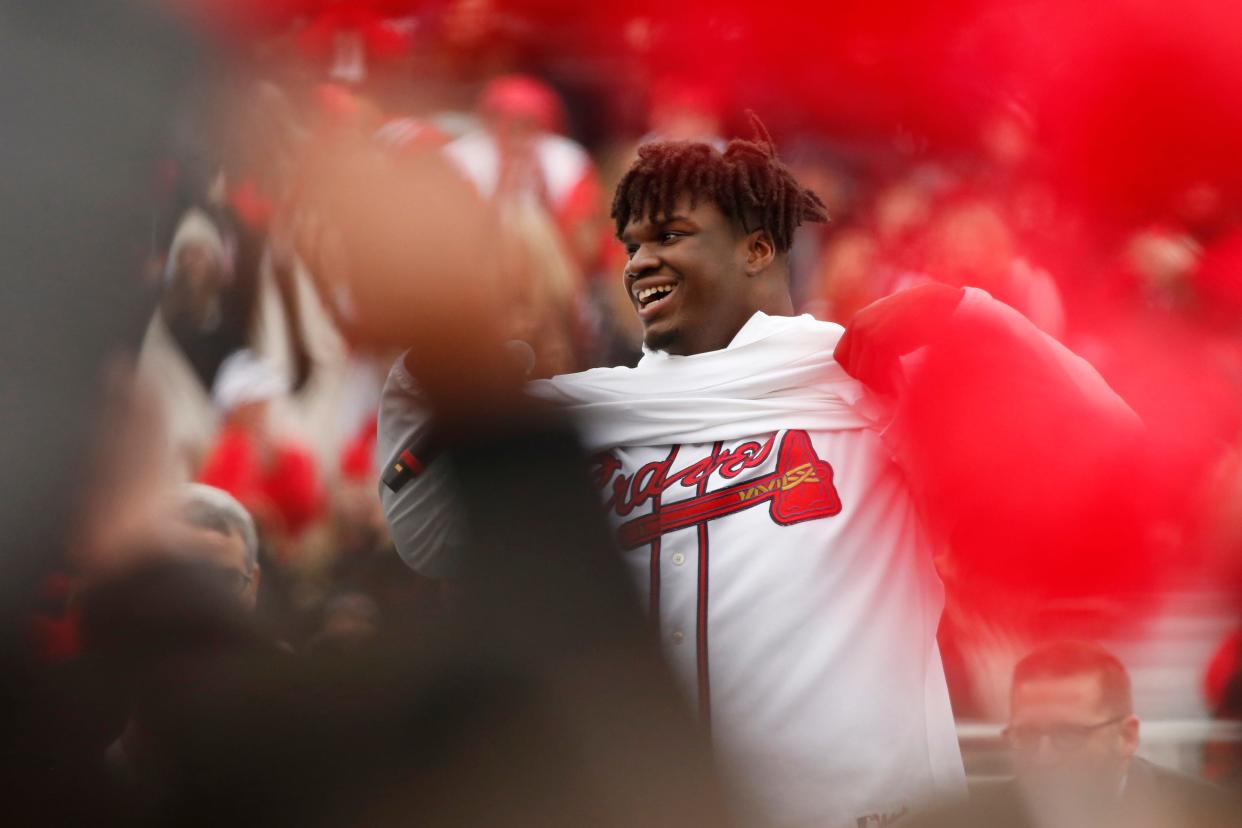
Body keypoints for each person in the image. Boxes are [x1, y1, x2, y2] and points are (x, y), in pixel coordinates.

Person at [379, 122, 1141, 826]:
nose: (641, 260)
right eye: (631, 242)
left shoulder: (863, 383)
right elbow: (428, 535)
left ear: (756, 249)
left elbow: (1111, 452)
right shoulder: (596, 415)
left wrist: (972, 317)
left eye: (670, 235)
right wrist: (428, 381)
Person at [908, 640, 1237, 827]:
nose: (1044, 756)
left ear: (1127, 736)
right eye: (1027, 736)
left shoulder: (1206, 817)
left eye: (1068, 735)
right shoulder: (959, 823)